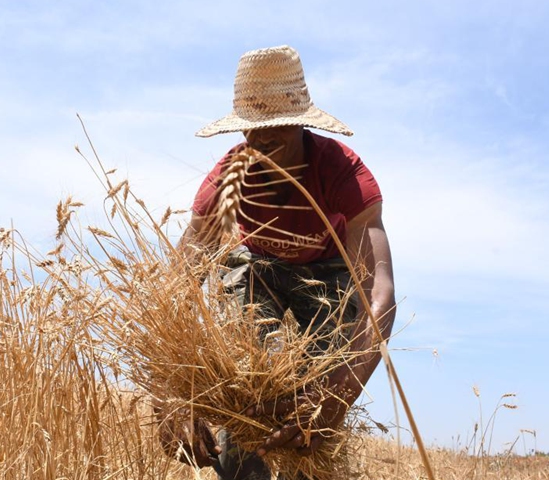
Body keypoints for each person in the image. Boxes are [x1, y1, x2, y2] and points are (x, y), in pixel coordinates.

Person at [160, 45, 396, 480]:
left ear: (300, 124)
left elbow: (379, 295)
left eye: (275, 133)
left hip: (327, 275)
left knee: (310, 409)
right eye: (253, 133)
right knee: (251, 387)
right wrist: (168, 396)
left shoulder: (344, 174)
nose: (262, 145)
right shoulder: (227, 180)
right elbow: (174, 289)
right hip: (257, 268)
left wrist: (338, 394)